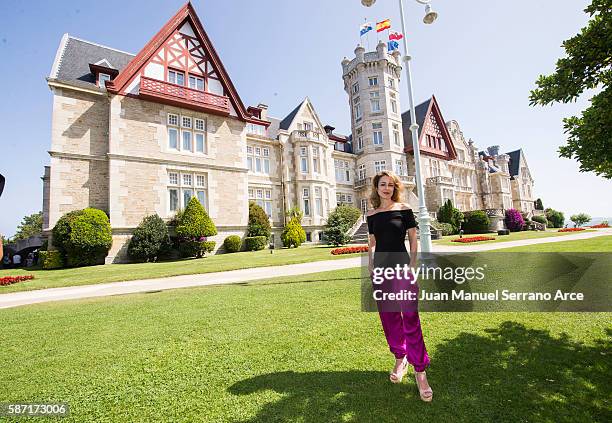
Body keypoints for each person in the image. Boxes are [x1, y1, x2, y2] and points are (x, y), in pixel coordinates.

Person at [366, 170, 433, 402]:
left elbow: (413, 238)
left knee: (410, 317)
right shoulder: (372, 215)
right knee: (390, 318)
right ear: (376, 188)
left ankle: (420, 371)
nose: (386, 188)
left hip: (402, 269)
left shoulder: (404, 210)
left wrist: (413, 265)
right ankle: (400, 357)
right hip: (381, 272)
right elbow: (372, 243)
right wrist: (370, 265)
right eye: (382, 184)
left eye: (391, 185)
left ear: (395, 188)